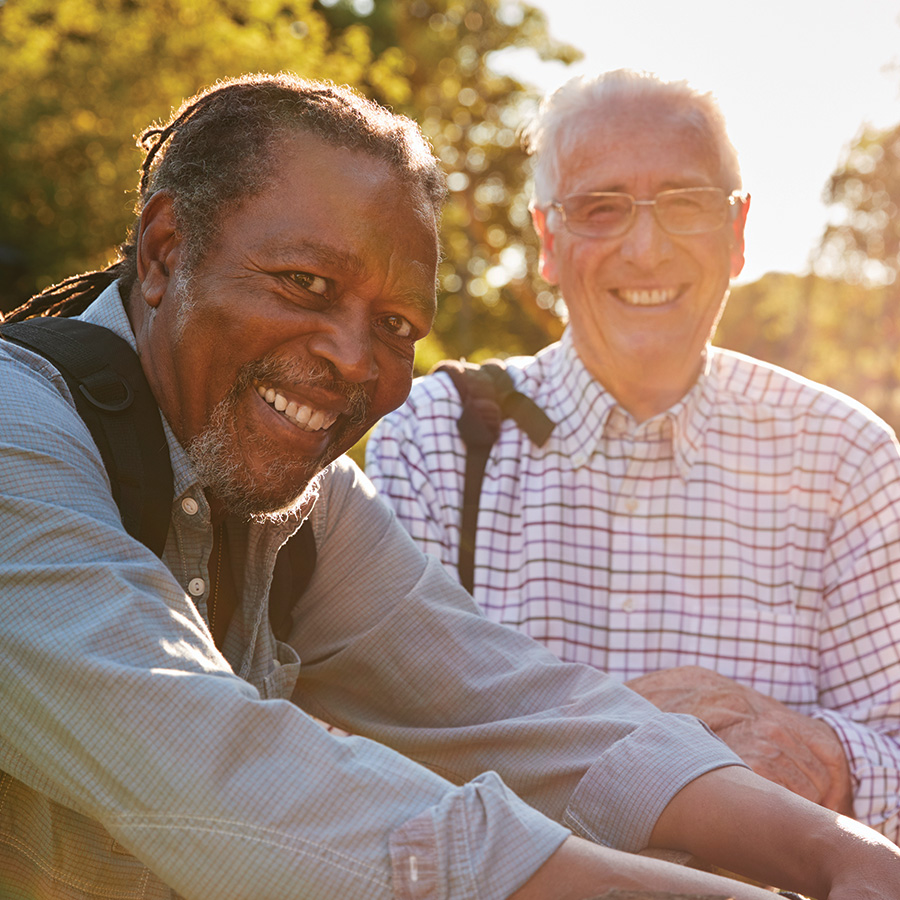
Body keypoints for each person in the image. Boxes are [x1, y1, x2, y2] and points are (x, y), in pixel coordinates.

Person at [1, 73, 898, 900]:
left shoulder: (306, 506)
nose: (354, 357)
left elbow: (517, 705)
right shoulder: (16, 438)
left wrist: (846, 855)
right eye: (304, 282)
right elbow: (223, 767)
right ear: (163, 253)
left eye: (395, 324)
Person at [366, 69, 900, 843]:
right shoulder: (436, 442)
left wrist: (822, 757)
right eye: (600, 208)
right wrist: (626, 751)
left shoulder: (849, 461)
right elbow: (376, 753)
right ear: (549, 241)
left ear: (739, 232)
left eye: (684, 204)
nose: (645, 250)